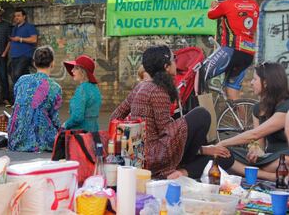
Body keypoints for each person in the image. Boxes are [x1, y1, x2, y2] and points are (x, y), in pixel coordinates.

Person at [111, 45, 233, 179]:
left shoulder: (140, 87)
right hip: (157, 157)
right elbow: (167, 131)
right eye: (174, 59)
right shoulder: (158, 91)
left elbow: (115, 117)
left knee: (224, 157)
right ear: (166, 67)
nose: (176, 63)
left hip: (139, 154)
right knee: (201, 115)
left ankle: (186, 164)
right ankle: (181, 170)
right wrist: (200, 144)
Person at [217, 62, 289, 181]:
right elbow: (259, 143)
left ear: (265, 83)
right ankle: (272, 177)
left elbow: (255, 134)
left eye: (255, 79)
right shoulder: (257, 109)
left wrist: (222, 143)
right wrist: (255, 150)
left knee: (282, 162)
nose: (251, 83)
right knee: (224, 154)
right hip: (268, 159)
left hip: (283, 157)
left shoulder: (286, 107)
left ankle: (259, 172)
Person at [200, 0, 260, 101]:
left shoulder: (226, 5)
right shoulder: (254, 5)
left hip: (230, 51)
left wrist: (213, 6)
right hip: (247, 54)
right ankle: (241, 122)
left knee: (200, 74)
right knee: (233, 94)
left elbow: (211, 15)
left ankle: (204, 114)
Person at [7, 46, 62, 152]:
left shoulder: (22, 80)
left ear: (34, 63)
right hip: (39, 139)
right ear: (52, 63)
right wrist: (61, 131)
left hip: (15, 136)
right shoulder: (55, 87)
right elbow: (54, 117)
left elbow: (18, 104)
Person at [63, 55, 102, 132]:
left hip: (80, 135)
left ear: (83, 72)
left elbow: (77, 117)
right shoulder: (95, 88)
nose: (72, 71)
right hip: (94, 132)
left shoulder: (82, 90)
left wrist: (65, 125)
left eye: (76, 68)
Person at [9, 8, 38, 100]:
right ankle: (25, 97)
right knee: (17, 76)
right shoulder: (14, 28)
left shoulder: (29, 27)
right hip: (14, 56)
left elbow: (34, 39)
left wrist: (20, 39)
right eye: (15, 16)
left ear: (24, 17)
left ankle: (19, 98)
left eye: (18, 16)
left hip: (25, 55)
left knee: (17, 75)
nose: (16, 17)